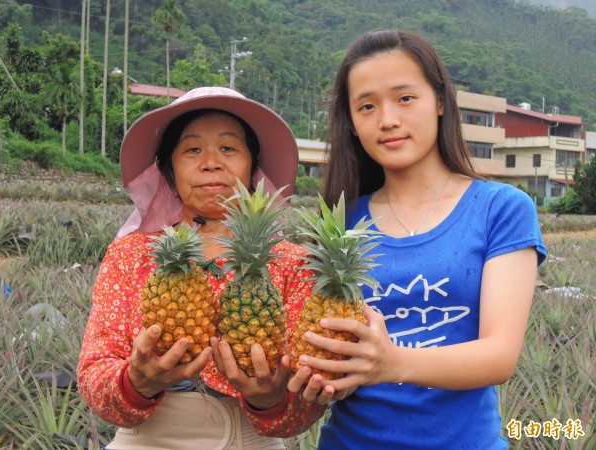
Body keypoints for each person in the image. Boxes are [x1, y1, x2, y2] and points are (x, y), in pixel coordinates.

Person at [287, 29, 547, 449]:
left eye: (405, 98)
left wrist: (391, 363)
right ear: (351, 123)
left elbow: (500, 355)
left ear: (440, 101)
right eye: (366, 106)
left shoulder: (501, 208)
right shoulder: (339, 223)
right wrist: (317, 380)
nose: (387, 119)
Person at [77, 86, 326, 449]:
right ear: (169, 168)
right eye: (192, 149)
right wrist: (136, 383)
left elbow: (306, 405)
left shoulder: (291, 263)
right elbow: (93, 375)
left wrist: (270, 400)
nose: (211, 162)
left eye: (228, 148)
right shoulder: (131, 255)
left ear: (252, 167)